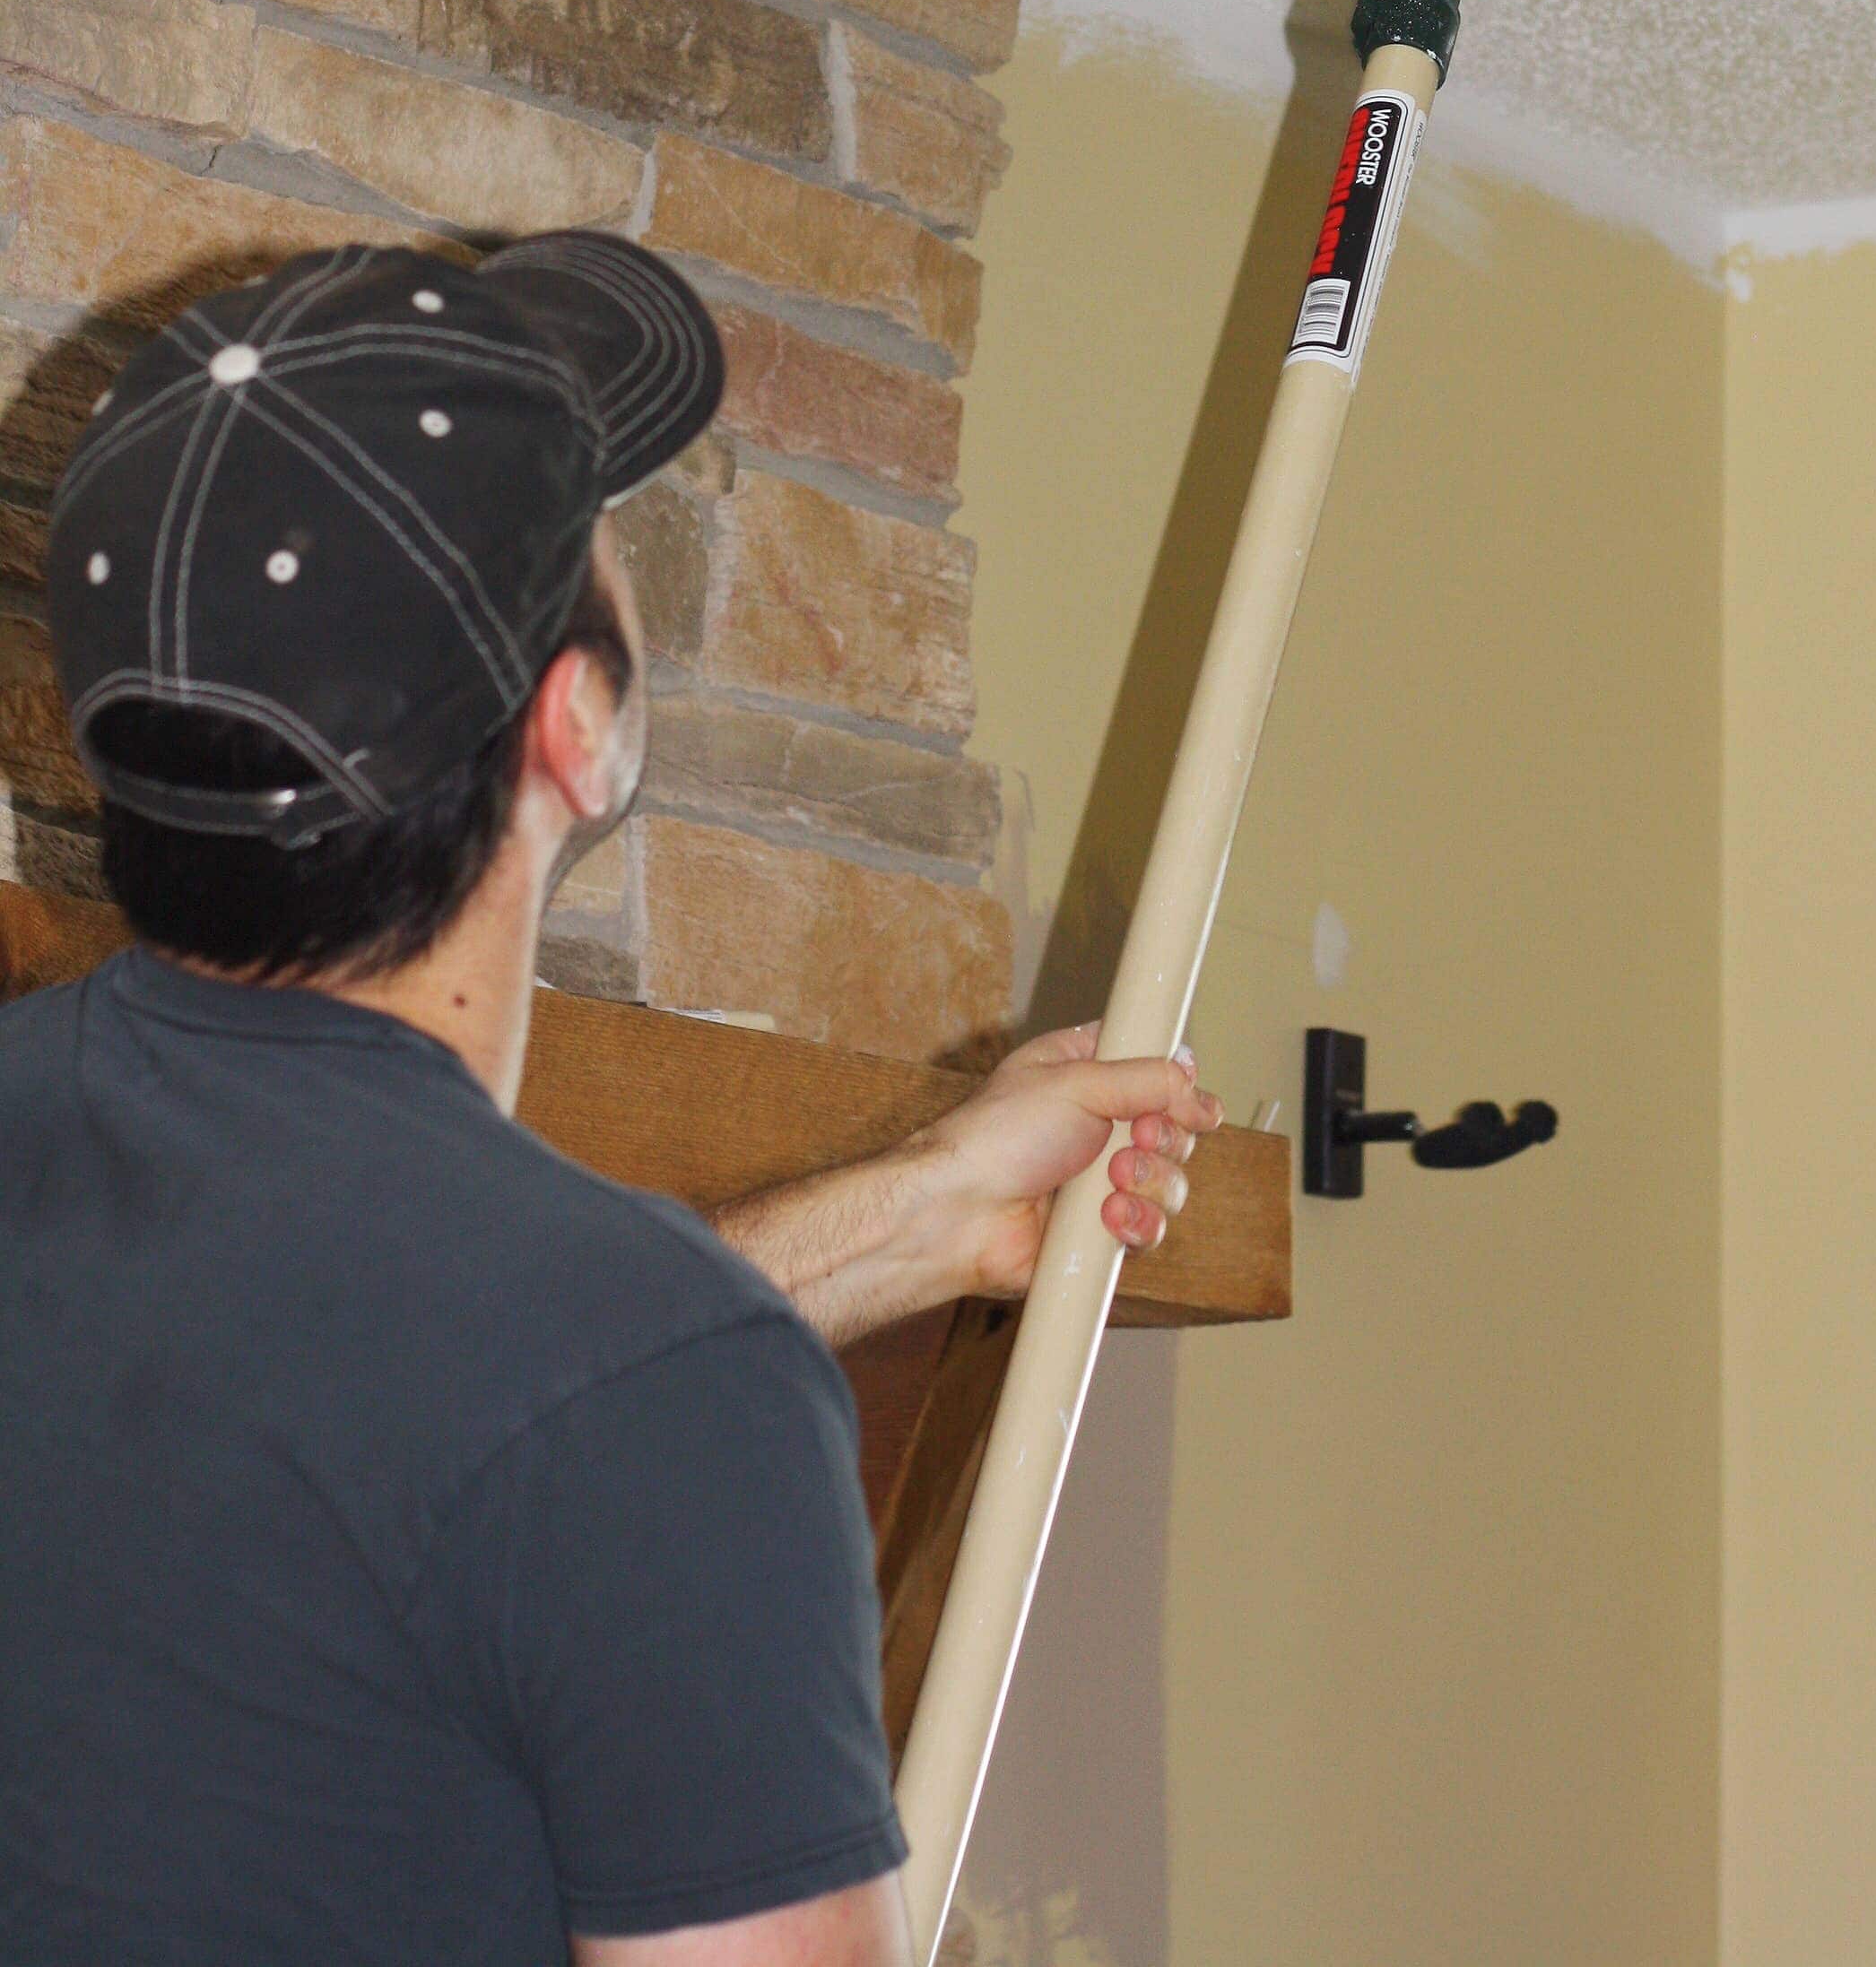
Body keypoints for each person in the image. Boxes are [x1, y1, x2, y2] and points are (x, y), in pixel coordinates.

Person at [0, 231, 1218, 1966]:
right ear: (577, 726)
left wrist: (918, 1211)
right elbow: (529, 1413)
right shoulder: (634, 1387)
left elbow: (410, 1423)